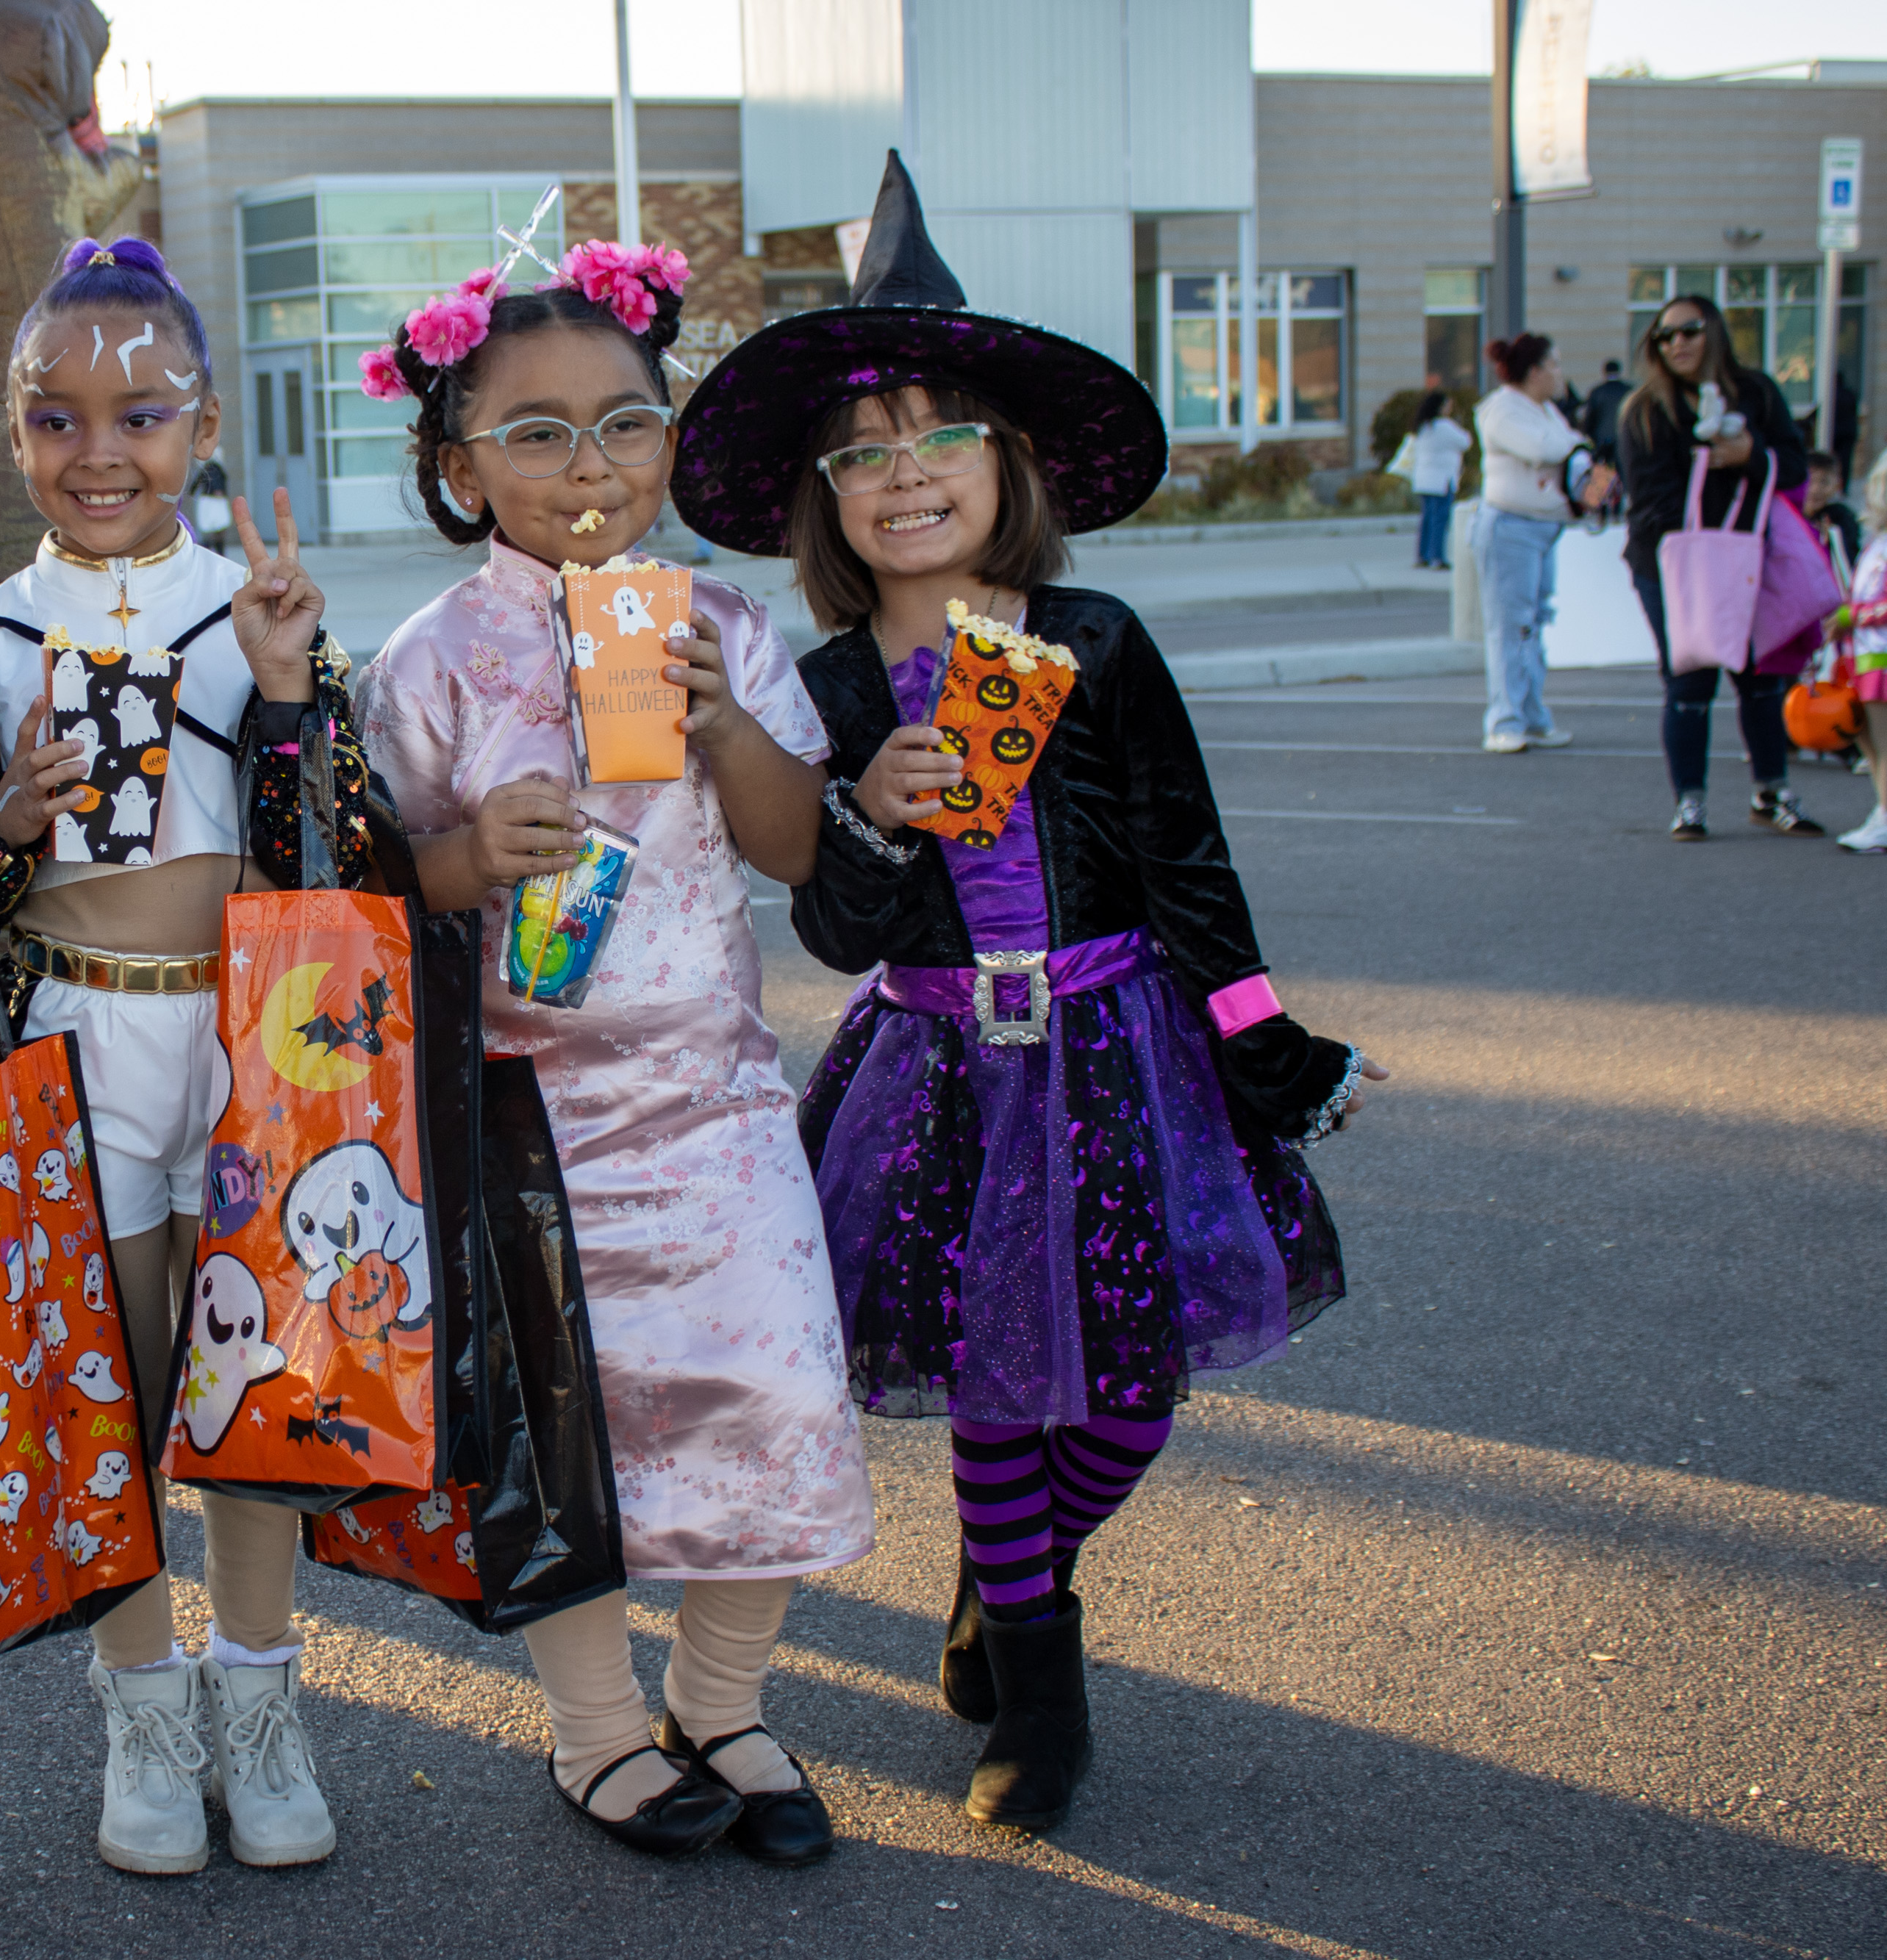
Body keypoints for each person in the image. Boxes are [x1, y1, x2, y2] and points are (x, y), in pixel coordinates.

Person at [671, 154, 1381, 1834]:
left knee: (1122, 1398)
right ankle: (1040, 1699)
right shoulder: (827, 680)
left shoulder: (1097, 639)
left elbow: (1191, 874)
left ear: (1005, 463)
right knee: (1000, 1378)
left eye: (938, 440)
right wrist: (870, 808)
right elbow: (835, 930)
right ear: (826, 500)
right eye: (864, 456)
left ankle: (1004, 1583)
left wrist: (1264, 1051)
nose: (902, 478)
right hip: (936, 1069)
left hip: (1123, 1049)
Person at [356, 239, 871, 1867]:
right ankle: (592, 1731)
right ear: (457, 462)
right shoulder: (427, 658)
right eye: (535, 433)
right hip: (522, 1114)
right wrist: (456, 860)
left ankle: (722, 1699)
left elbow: (800, 854)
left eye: (625, 424)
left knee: (768, 1394)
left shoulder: (723, 620)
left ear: (669, 436)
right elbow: (360, 910)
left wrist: (723, 722)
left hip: (714, 1100)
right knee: (559, 1434)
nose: (588, 467)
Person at [0, 236, 374, 1879]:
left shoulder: (261, 606)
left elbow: (339, 851)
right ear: (11, 434)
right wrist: (1, 826)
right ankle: (142, 1708)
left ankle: (262, 1706)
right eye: (54, 417)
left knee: (248, 1377)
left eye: (140, 413)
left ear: (201, 429)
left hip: (248, 1033)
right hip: (76, 1030)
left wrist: (284, 698)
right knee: (112, 1390)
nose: (99, 450)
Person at [1619, 291, 1822, 841]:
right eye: (1664, 336)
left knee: (1761, 678)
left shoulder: (1755, 392)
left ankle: (1771, 790)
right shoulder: (1646, 409)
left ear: (1714, 332)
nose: (1676, 343)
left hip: (1752, 556)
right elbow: (1650, 500)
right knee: (1690, 680)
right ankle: (1690, 801)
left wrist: (1751, 457)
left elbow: (1796, 463)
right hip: (1675, 563)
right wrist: (1712, 470)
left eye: (1688, 331)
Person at [1474, 334, 1612, 754]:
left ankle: (1532, 717)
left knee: (1534, 625)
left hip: (1542, 529)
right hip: (1509, 529)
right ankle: (1505, 720)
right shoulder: (1501, 409)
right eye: (1554, 365)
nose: (1559, 374)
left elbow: (1575, 452)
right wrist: (1579, 448)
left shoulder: (1545, 410)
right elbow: (1544, 448)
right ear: (1533, 372)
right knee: (1511, 628)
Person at [1835, 452, 1887, 855]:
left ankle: (1884, 820)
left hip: (1881, 657)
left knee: (1883, 748)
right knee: (1870, 745)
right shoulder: (1877, 542)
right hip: (1867, 657)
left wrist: (1851, 615)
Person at [1397, 389, 1472, 570]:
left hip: (1424, 479)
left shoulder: (1422, 427)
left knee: (1428, 519)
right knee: (1440, 519)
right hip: (1441, 480)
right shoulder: (1445, 426)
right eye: (1447, 405)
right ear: (1440, 407)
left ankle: (1423, 556)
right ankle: (1437, 557)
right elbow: (1465, 442)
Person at [1805, 451, 1864, 567]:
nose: (1816, 489)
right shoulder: (1791, 517)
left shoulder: (1841, 518)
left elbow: (1851, 560)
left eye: (1824, 482)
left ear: (1838, 485)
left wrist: (1834, 541)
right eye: (1810, 481)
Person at [1582, 358, 1631, 467]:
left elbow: (1589, 420)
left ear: (1605, 372)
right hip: (1625, 441)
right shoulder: (1628, 391)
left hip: (1603, 444)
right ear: (1619, 371)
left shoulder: (1597, 392)